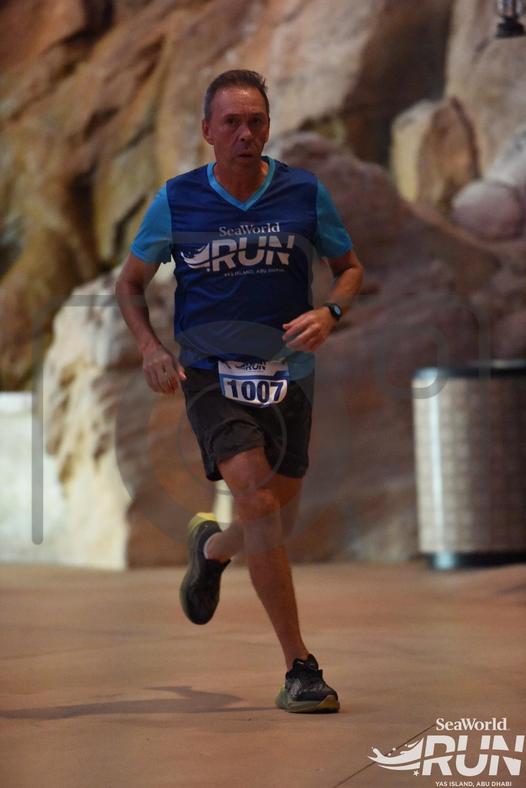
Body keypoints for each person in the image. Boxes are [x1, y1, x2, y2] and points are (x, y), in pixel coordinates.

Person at [115, 69, 363, 714]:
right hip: (211, 373)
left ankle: (211, 548)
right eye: (231, 122)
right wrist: (150, 347)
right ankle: (300, 667)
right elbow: (130, 283)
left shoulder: (304, 193)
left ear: (268, 127)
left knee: (273, 515)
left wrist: (330, 313)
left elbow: (348, 268)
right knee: (253, 492)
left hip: (288, 374)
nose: (245, 133)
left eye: (256, 121)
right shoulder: (177, 200)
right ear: (207, 131)